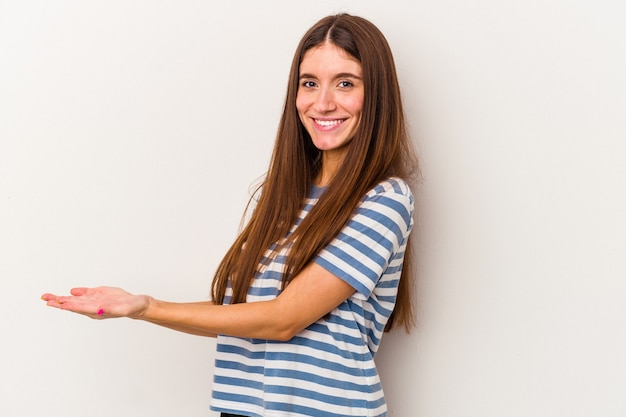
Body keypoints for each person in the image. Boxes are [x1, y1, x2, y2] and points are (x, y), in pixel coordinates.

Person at [42, 13, 419, 417]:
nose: (322, 102)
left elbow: (282, 320)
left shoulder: (384, 200)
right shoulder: (280, 198)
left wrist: (150, 306)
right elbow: (242, 315)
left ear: (376, 94)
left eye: (345, 83)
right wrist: (139, 307)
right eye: (309, 83)